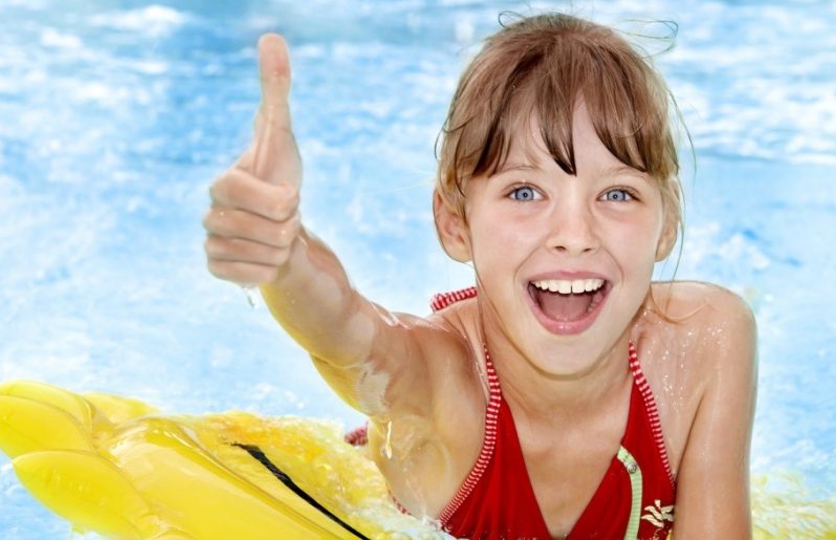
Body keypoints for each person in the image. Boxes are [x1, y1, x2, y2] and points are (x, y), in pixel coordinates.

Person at [203, 12, 757, 540]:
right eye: (524, 191)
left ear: (668, 225)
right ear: (454, 221)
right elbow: (348, 330)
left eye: (617, 193)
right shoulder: (441, 388)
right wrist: (284, 250)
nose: (575, 232)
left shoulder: (703, 343)